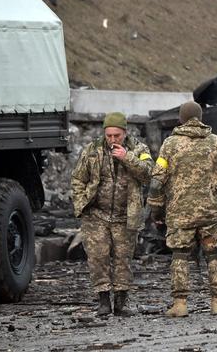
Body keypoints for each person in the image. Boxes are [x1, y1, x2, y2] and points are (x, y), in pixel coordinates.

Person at [147, 101, 217, 317]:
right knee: (214, 255)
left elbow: (155, 184)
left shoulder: (169, 145)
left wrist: (156, 212)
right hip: (210, 213)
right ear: (200, 118)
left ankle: (180, 304)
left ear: (180, 119)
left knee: (180, 256)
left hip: (180, 215)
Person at [71, 112, 153, 316]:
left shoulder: (139, 149)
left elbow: (149, 173)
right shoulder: (92, 150)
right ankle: (103, 301)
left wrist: (127, 158)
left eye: (117, 135)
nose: (112, 139)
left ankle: (121, 303)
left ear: (125, 132)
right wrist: (81, 202)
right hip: (97, 215)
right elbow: (78, 178)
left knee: (123, 260)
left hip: (125, 216)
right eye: (109, 135)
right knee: (98, 258)